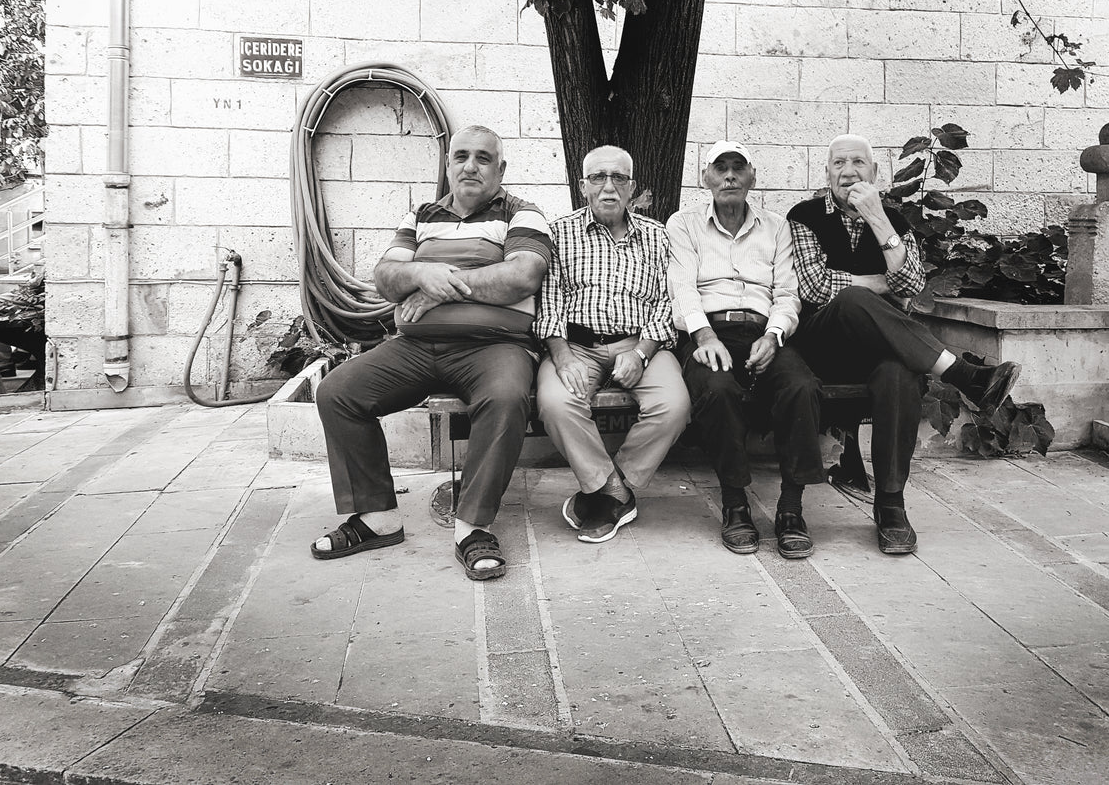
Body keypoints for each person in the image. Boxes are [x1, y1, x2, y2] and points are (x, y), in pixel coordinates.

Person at [310, 125, 551, 581]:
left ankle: (472, 527)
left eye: (484, 158)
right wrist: (424, 270)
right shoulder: (421, 215)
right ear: (448, 165)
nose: (471, 166)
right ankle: (377, 516)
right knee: (338, 392)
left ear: (501, 169)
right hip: (415, 346)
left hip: (494, 347)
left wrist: (437, 287)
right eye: (461, 156)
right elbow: (386, 277)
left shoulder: (523, 213)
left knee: (505, 398)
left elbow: (521, 277)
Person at [788, 134, 1020, 556]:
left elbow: (912, 286)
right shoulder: (803, 216)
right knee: (852, 299)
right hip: (819, 343)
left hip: (876, 350)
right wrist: (880, 285)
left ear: (875, 174)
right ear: (826, 173)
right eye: (838, 163)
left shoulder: (894, 220)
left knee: (898, 375)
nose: (849, 171)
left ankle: (890, 503)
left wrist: (877, 218)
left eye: (859, 162)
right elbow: (816, 286)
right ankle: (964, 375)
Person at [667, 140, 826, 560]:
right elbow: (681, 287)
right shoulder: (683, 224)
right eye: (720, 169)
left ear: (753, 177)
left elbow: (788, 293)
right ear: (706, 178)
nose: (730, 176)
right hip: (707, 331)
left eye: (739, 168)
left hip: (761, 331)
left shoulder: (776, 227)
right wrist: (703, 337)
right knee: (718, 391)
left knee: (801, 387)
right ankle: (735, 504)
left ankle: (791, 509)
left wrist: (773, 336)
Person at [535, 146, 690, 543]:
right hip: (577, 347)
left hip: (640, 344)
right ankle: (614, 493)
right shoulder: (559, 233)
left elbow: (665, 302)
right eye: (598, 178)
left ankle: (609, 485)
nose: (609, 187)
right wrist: (562, 354)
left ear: (632, 187)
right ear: (583, 185)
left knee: (674, 406)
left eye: (619, 178)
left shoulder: (656, 236)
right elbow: (549, 303)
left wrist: (641, 354)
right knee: (556, 402)